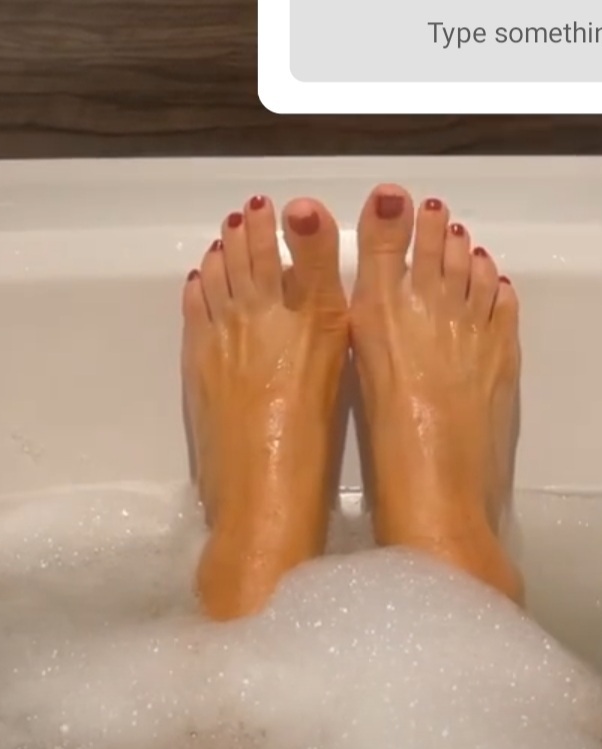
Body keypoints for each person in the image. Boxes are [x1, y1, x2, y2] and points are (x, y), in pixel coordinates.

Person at [182, 183, 524, 620]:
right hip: (475, 656)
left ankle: (253, 541)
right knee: (462, 598)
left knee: (244, 596)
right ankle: (450, 535)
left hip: (252, 659)